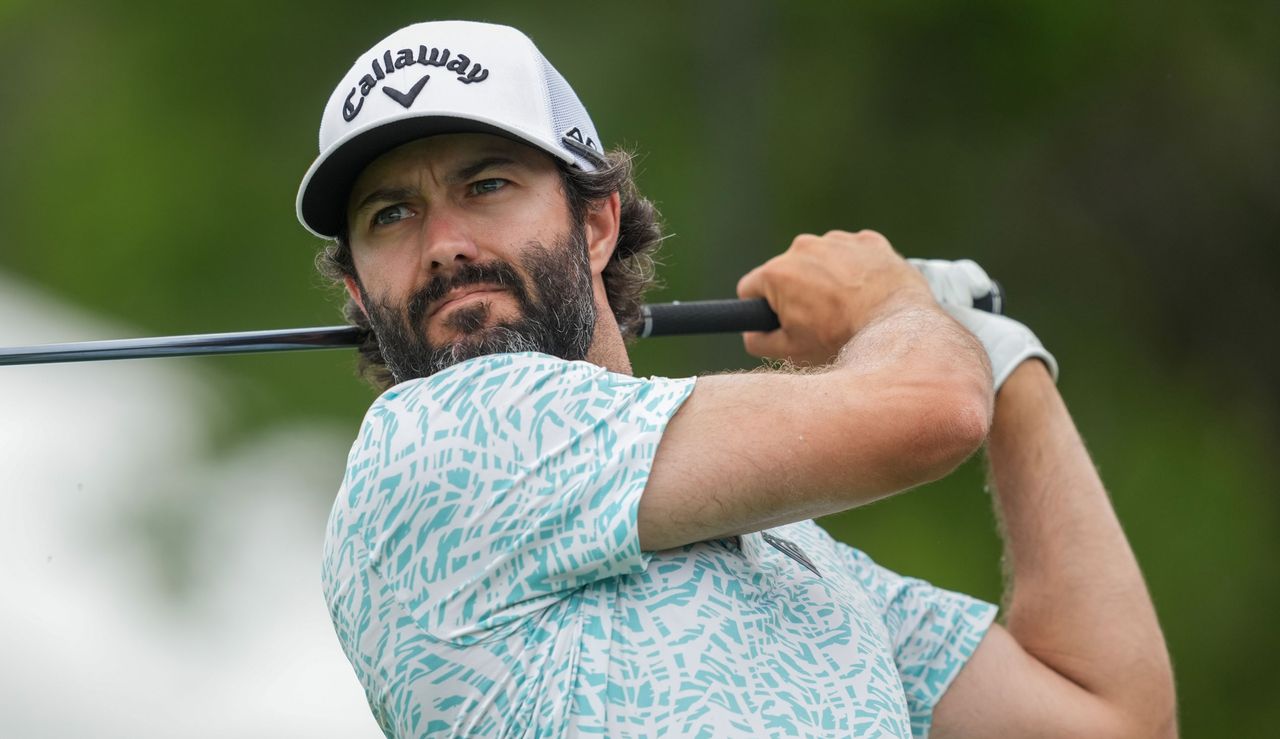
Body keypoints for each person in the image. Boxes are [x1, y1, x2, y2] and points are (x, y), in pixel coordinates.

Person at [298, 20, 1176, 738]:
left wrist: (1002, 355)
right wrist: (897, 307)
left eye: (485, 184)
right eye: (392, 214)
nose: (444, 240)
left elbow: (1113, 718)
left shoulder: (800, 563)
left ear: (597, 224)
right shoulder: (433, 444)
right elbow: (933, 408)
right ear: (358, 292)